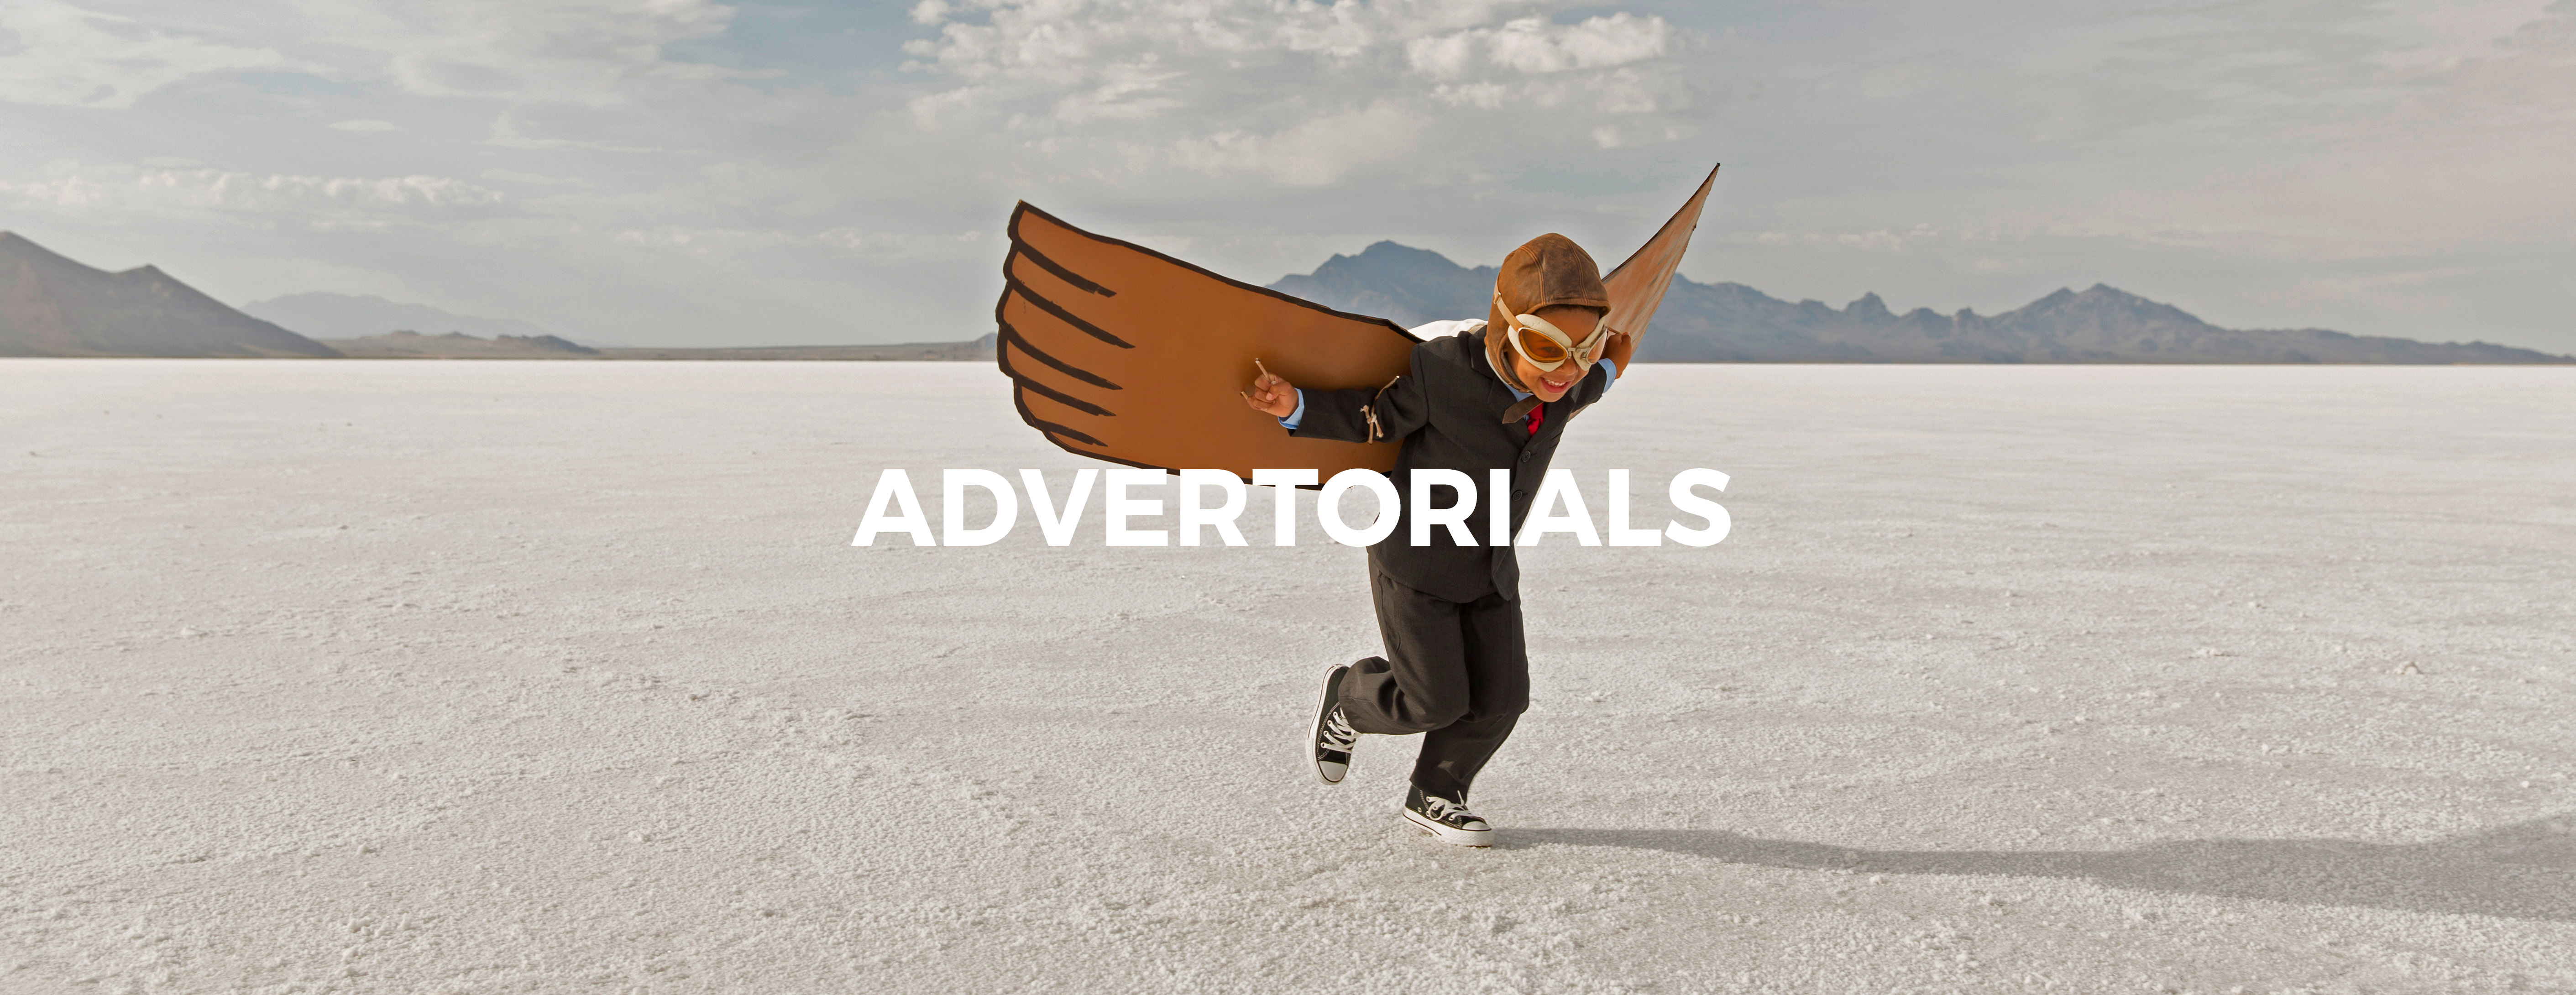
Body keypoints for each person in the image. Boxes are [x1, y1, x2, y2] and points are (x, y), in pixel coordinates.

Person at [1240, 233, 1634, 846]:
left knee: (1504, 698)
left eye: (1584, 350)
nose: (1566, 369)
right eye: (1546, 348)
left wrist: (1610, 363)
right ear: (1507, 329)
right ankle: (1350, 695)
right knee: (1433, 702)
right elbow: (1373, 420)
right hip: (1417, 562)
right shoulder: (1443, 369)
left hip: (1491, 568)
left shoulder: (1568, 385)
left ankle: (1437, 792)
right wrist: (1296, 406)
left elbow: (1588, 380)